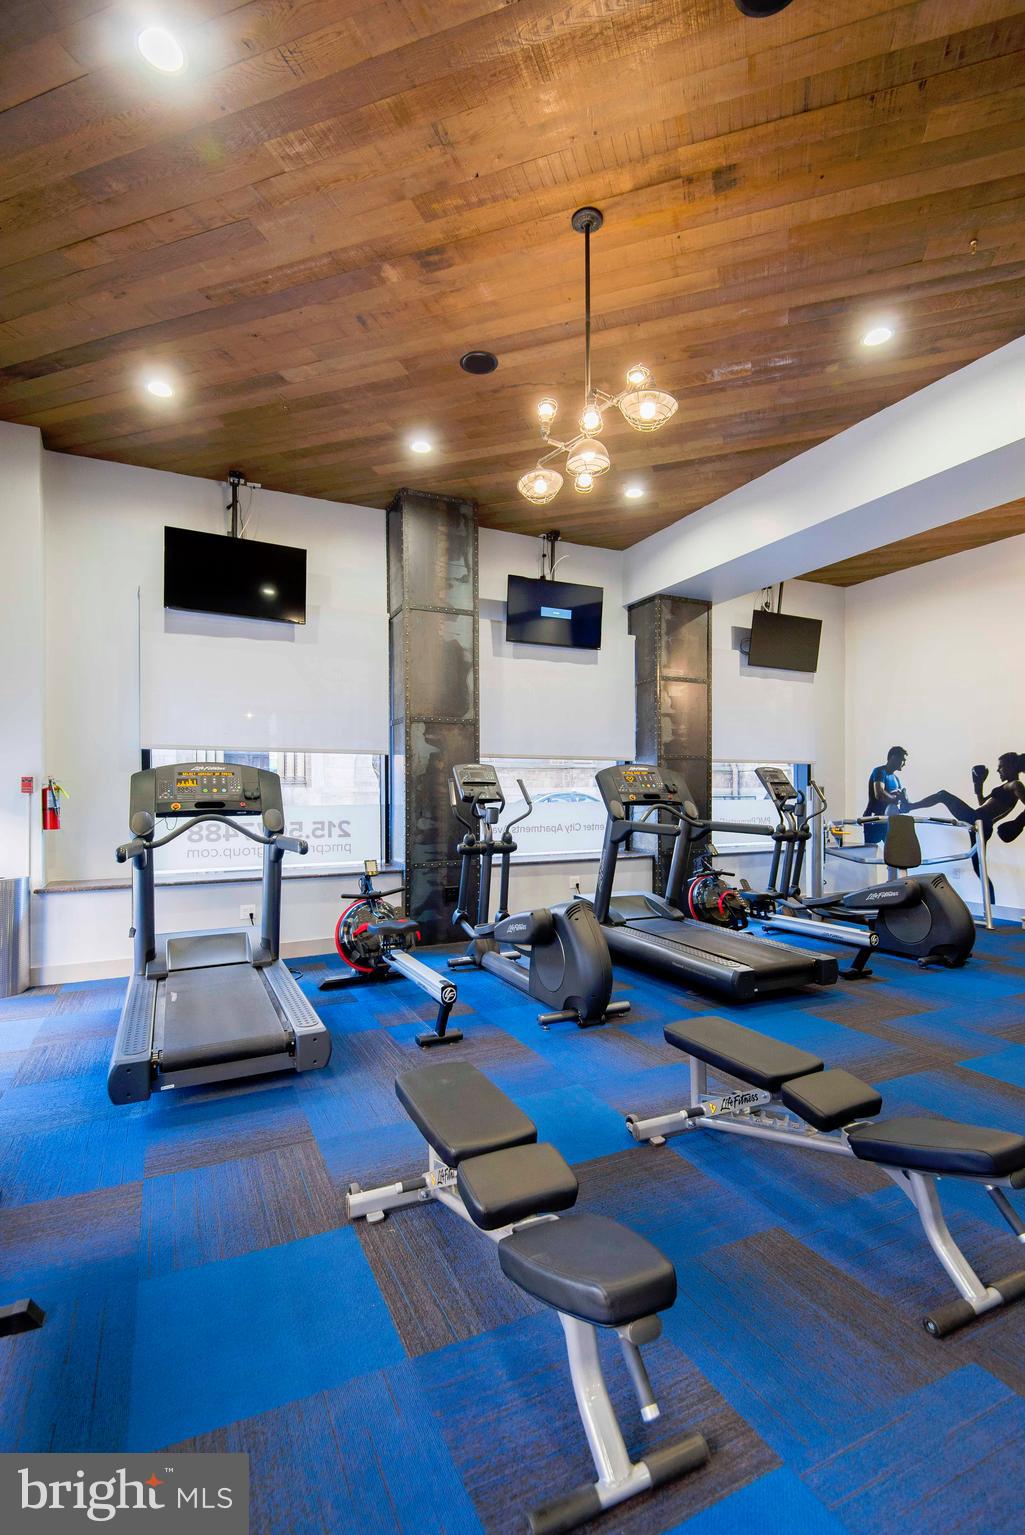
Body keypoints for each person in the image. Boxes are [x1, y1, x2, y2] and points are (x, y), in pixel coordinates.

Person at [905, 752, 1025, 905]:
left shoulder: (1015, 785)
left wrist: (1018, 822)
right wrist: (978, 784)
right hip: (980, 822)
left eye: (1001, 767)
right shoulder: (1006, 786)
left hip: (980, 820)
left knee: (943, 795)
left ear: (1011, 766)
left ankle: (909, 806)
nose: (998, 770)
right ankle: (992, 907)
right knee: (979, 870)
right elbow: (982, 801)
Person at [863, 746, 909, 844]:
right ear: (894, 757)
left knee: (894, 855)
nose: (904, 764)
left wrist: (903, 799)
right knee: (870, 854)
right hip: (874, 820)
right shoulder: (879, 771)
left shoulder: (896, 779)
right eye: (902, 760)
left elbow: (900, 803)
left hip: (890, 822)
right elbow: (879, 794)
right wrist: (895, 798)